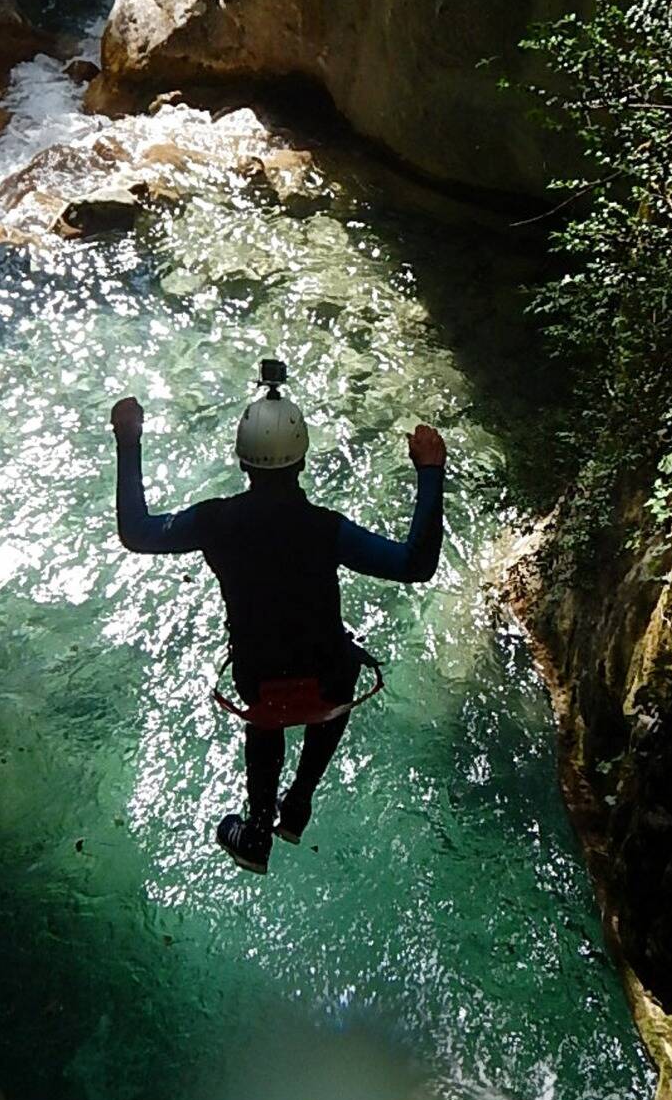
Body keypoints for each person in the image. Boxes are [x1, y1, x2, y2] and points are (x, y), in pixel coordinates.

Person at [111, 363, 446, 874]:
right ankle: (300, 801)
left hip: (259, 678)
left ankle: (258, 826)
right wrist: (430, 470)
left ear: (243, 461)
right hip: (327, 673)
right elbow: (415, 565)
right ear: (303, 459)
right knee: (341, 666)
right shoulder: (325, 529)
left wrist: (129, 440)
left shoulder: (215, 521)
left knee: (266, 697)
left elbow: (137, 532)